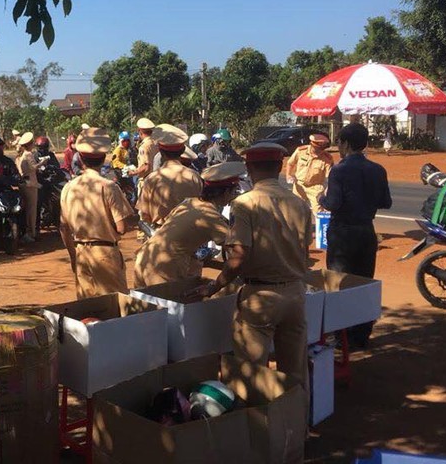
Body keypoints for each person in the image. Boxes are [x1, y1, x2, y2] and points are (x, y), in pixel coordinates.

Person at [187, 142, 312, 427]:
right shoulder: (299, 203)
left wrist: (214, 286)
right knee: (295, 372)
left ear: (249, 168)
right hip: (295, 292)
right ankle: (296, 431)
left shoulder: (245, 204)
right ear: (280, 167)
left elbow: (239, 256)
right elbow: (305, 252)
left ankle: (256, 433)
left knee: (250, 373)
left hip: (260, 297)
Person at [318, 122, 392, 349]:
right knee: (363, 285)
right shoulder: (378, 169)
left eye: (339, 142)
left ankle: (341, 336)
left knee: (339, 285)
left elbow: (333, 203)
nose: (338, 147)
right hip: (366, 232)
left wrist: (321, 196)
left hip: (343, 234)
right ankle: (361, 336)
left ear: (346, 144)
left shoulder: (339, 170)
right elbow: (385, 202)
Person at [134, 162, 245, 287]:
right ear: (225, 192)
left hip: (145, 258)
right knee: (167, 305)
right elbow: (236, 251)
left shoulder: (189, 202)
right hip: (164, 266)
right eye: (233, 192)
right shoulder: (211, 216)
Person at [59, 131, 134, 298]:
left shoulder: (68, 187)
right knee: (115, 307)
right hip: (106, 254)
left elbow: (63, 228)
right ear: (103, 159)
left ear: (80, 160)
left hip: (81, 254)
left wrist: (73, 257)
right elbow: (121, 227)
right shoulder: (109, 187)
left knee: (88, 309)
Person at [138, 125, 203, 229]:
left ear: (161, 152)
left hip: (161, 231)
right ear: (182, 151)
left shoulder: (152, 178)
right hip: (189, 232)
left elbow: (145, 214)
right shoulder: (194, 176)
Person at [285, 133, 333, 219]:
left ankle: (320, 230)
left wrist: (328, 189)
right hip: (299, 185)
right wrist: (288, 175)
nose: (320, 152)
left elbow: (330, 176)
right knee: (295, 210)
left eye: (322, 149)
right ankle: (298, 230)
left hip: (315, 187)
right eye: (318, 149)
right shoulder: (300, 151)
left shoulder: (327, 158)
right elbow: (290, 163)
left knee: (319, 212)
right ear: (312, 145)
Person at [16, 132, 46, 243]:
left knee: (27, 209)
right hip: (31, 184)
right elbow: (34, 167)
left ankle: (28, 232)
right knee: (32, 210)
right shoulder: (28, 154)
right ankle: (31, 233)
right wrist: (43, 162)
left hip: (25, 183)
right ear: (30, 144)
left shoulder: (21, 155)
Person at [129, 118, 158, 188]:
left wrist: (133, 172)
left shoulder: (144, 147)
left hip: (146, 181)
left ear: (140, 131)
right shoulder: (155, 143)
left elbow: (146, 167)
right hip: (155, 179)